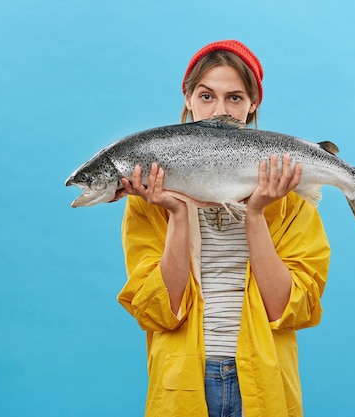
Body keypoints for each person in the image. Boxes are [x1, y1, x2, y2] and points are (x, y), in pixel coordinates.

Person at [117, 40, 331, 417]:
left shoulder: (290, 197)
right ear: (187, 97)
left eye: (234, 98)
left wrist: (256, 213)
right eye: (206, 95)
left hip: (262, 384)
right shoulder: (147, 197)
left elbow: (288, 310)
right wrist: (178, 214)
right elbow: (160, 312)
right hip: (182, 383)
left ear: (253, 105)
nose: (219, 110)